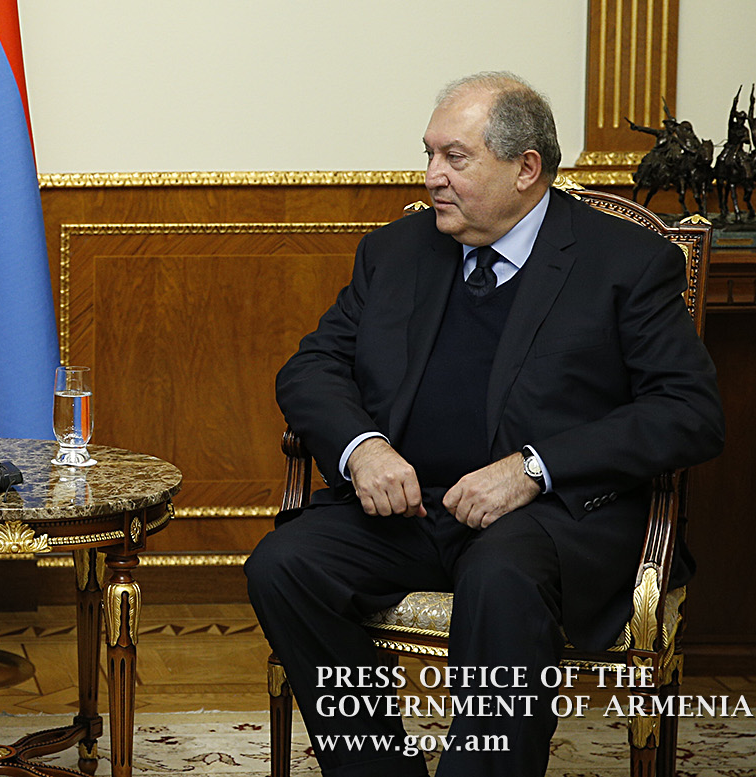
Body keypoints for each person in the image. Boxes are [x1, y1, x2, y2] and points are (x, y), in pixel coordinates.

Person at [246, 72, 723, 777]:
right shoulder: (396, 251)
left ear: (525, 168)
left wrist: (532, 468)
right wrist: (363, 448)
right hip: (412, 510)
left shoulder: (624, 262)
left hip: (550, 520)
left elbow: (689, 412)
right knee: (284, 564)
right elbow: (311, 367)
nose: (432, 176)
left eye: (455, 157)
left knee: (501, 577)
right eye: (430, 154)